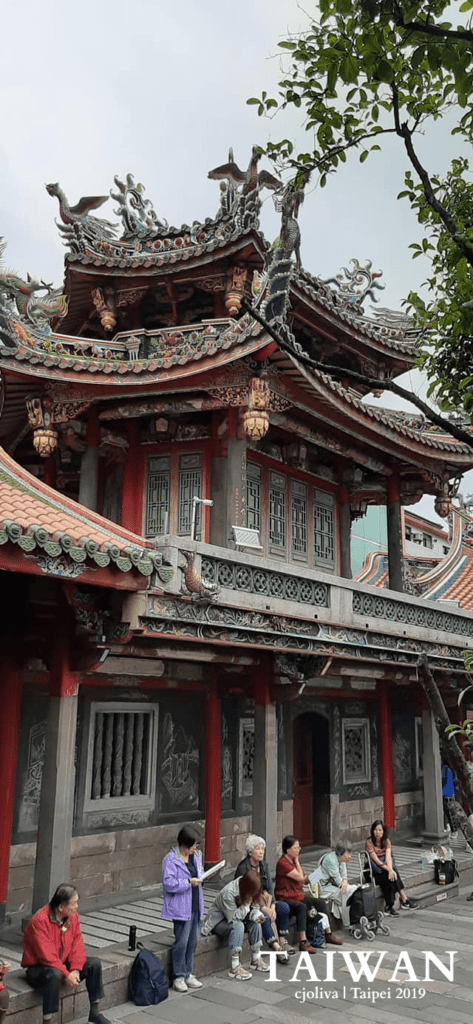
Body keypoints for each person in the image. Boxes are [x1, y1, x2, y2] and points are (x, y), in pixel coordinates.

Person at [22, 884, 110, 1024]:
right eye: (74, 903)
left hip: (62, 962)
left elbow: (77, 943)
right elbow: (46, 957)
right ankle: (47, 1021)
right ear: (61, 907)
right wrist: (66, 973)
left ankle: (94, 1013)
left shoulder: (72, 916)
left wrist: (75, 969)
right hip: (39, 967)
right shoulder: (39, 921)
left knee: (94, 964)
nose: (76, 907)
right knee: (54, 975)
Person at [275, 835, 343, 952]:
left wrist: (318, 875)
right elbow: (300, 877)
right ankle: (302, 941)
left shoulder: (292, 862)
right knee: (301, 907)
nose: (299, 850)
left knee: (320, 902)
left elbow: (305, 880)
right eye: (296, 848)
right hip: (286, 898)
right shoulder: (283, 863)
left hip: (298, 895)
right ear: (288, 849)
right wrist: (297, 861)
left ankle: (328, 933)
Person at [201, 870, 269, 980]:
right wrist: (247, 904)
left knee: (255, 924)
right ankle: (234, 967)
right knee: (239, 926)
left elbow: (254, 909)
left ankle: (256, 959)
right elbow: (234, 918)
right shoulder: (229, 893)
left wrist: (257, 915)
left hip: (238, 917)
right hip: (218, 922)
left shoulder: (251, 890)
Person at [235, 834, 293, 962]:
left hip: (266, 902)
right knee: (264, 916)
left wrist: (271, 906)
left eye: (262, 848)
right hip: (249, 905)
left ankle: (283, 941)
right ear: (250, 851)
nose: (261, 852)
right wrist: (263, 908)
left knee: (283, 907)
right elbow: (243, 895)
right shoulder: (243, 869)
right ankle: (276, 948)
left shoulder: (264, 866)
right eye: (257, 848)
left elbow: (270, 888)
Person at [161, 824, 204, 993]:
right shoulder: (171, 860)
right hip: (180, 906)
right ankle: (178, 975)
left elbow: (199, 873)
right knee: (182, 942)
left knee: (193, 940)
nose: (195, 848)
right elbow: (168, 883)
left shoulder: (196, 857)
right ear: (184, 844)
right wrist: (187, 883)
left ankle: (188, 972)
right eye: (192, 845)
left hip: (195, 904)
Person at [365, 820, 419, 914]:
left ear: (383, 832)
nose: (377, 832)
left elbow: (388, 857)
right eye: (375, 830)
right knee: (389, 876)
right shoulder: (369, 842)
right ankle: (403, 899)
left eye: (379, 830)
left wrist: (390, 870)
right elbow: (376, 861)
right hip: (373, 870)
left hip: (384, 868)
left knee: (392, 874)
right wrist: (389, 870)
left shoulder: (386, 841)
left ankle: (389, 906)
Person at [317, 840, 360, 928]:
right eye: (348, 854)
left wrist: (344, 882)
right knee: (348, 896)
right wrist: (344, 883)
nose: (350, 856)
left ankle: (352, 921)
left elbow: (344, 876)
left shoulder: (341, 860)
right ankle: (349, 923)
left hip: (331, 885)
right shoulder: (330, 860)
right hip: (321, 887)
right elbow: (339, 881)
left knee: (349, 893)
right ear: (341, 853)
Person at [442, 762, 458, 838]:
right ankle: (448, 827)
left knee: (449, 812)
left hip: (446, 792)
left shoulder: (444, 768)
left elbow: (442, 780)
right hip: (450, 792)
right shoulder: (450, 768)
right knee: (448, 812)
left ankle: (454, 830)